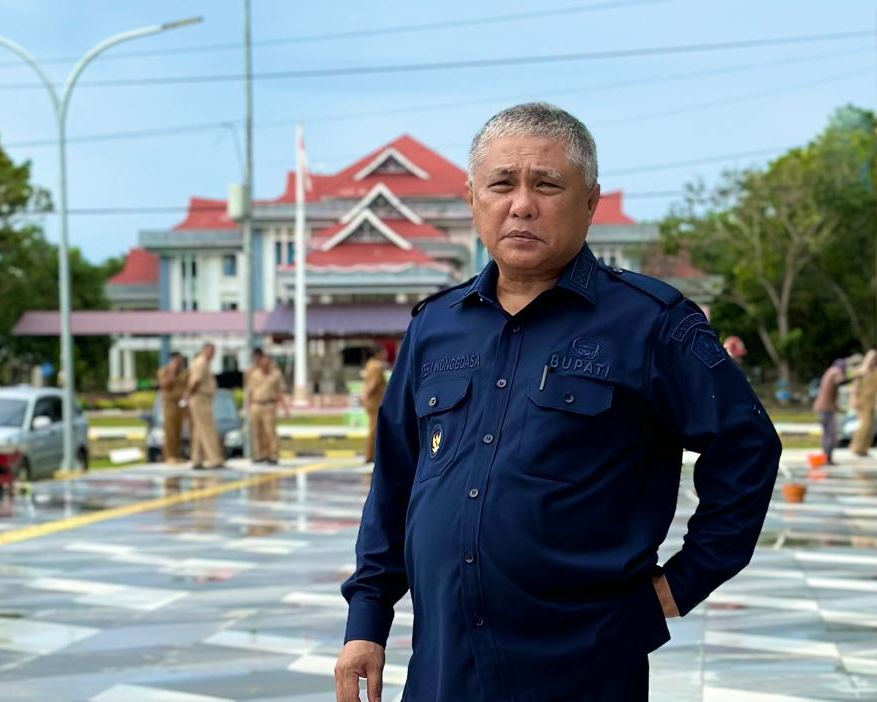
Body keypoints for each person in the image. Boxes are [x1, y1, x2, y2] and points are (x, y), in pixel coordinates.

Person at [335, 103, 782, 702]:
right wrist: (367, 621)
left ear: (590, 202)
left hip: (585, 663)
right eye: (502, 184)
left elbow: (747, 448)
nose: (521, 204)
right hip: (444, 665)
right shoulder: (434, 326)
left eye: (547, 184)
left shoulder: (651, 322)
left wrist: (682, 582)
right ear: (473, 198)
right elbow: (395, 479)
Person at [245, 348, 289, 464]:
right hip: (256, 404)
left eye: (267, 360)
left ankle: (273, 455)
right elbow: (249, 392)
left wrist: (285, 408)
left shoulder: (275, 375)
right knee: (256, 431)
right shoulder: (254, 374)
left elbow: (280, 392)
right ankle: (259, 455)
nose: (265, 363)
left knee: (270, 431)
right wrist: (248, 408)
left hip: (269, 405)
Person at [183, 343, 224, 470]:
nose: (212, 355)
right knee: (208, 429)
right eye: (210, 351)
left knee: (199, 430)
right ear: (204, 350)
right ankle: (214, 459)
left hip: (200, 398)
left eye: (214, 352)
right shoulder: (201, 362)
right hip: (200, 398)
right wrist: (187, 395)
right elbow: (196, 381)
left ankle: (197, 459)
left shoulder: (202, 362)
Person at [813, 358, 848, 465]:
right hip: (826, 409)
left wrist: (838, 408)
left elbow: (829, 393)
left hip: (824, 407)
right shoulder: (835, 371)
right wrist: (855, 376)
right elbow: (841, 381)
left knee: (828, 434)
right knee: (831, 434)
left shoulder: (830, 371)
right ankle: (827, 458)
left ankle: (826, 458)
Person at [156, 352, 188, 464]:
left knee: (179, 431)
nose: (179, 363)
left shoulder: (184, 373)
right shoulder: (164, 371)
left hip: (180, 404)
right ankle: (169, 456)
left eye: (180, 361)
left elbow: (186, 386)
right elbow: (164, 385)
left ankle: (176, 455)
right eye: (176, 360)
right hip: (169, 404)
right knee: (170, 430)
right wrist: (172, 372)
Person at [360, 346, 388, 464]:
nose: (385, 355)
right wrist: (366, 394)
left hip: (371, 401)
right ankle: (369, 455)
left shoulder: (369, 364)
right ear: (377, 354)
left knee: (373, 428)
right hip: (375, 401)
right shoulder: (377, 366)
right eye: (383, 352)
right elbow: (373, 384)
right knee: (374, 428)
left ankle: (371, 454)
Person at [849, 350, 877, 456]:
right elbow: (855, 387)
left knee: (870, 425)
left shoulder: (875, 371)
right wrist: (853, 399)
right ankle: (856, 447)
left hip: (871, 402)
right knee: (864, 425)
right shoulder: (861, 371)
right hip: (862, 401)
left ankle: (864, 448)